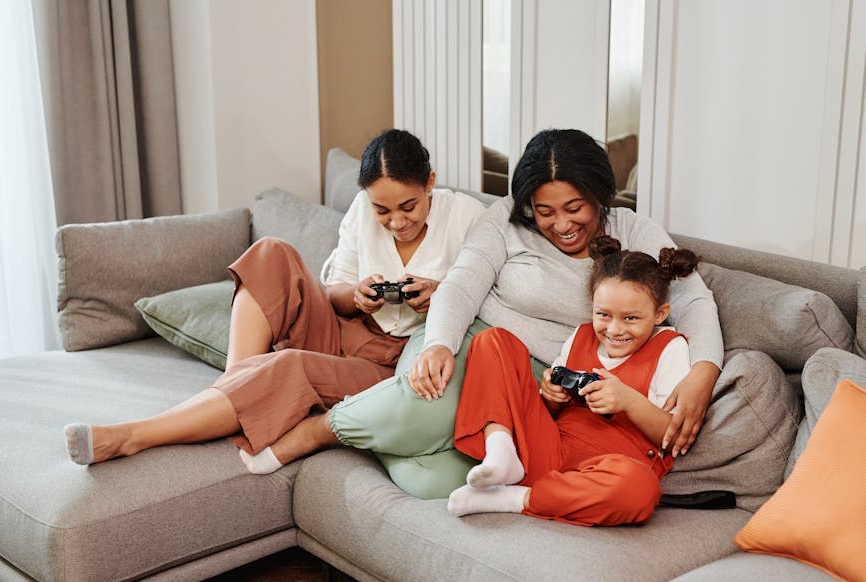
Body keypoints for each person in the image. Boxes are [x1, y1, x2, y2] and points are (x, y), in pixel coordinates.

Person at [247, 128, 723, 499]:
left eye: (574, 208)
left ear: (600, 194)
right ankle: (314, 433)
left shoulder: (635, 231)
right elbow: (462, 283)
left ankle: (378, 432)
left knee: (434, 483)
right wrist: (438, 344)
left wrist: (702, 374)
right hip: (472, 339)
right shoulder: (505, 222)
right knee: (418, 410)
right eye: (543, 211)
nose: (561, 225)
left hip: (535, 380)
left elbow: (692, 300)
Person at [63, 128, 486, 467]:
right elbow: (333, 291)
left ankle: (133, 436)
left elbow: (486, 298)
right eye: (382, 210)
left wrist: (440, 294)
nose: (396, 221)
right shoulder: (361, 208)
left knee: (288, 365)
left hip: (387, 365)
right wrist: (356, 297)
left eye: (408, 207)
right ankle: (233, 388)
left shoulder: (467, 218)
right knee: (271, 252)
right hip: (344, 329)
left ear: (430, 182)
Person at [446, 236, 698, 525]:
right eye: (603, 314)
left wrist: (627, 400)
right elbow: (548, 410)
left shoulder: (669, 346)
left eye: (630, 318)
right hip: (548, 449)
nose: (614, 330)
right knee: (492, 341)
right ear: (592, 305)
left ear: (660, 314)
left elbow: (673, 435)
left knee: (640, 489)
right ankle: (500, 452)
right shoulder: (581, 335)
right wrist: (551, 397)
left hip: (606, 471)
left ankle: (514, 498)